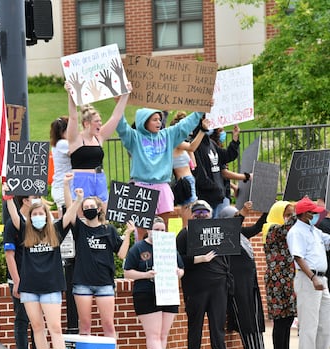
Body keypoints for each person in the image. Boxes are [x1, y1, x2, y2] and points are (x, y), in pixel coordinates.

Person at [3, 182, 82, 349]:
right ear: (30, 216)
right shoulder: (25, 231)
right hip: (29, 287)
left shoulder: (55, 230)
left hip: (51, 286)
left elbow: (69, 216)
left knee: (55, 327)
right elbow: (14, 216)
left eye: (41, 213)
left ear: (47, 215)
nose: (38, 216)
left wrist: (77, 198)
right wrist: (8, 198)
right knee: (37, 327)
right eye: (34, 213)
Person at [63, 172, 134, 349]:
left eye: (91, 207)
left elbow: (121, 253)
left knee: (108, 325)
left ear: (99, 209)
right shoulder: (80, 229)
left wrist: (128, 234)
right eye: (86, 208)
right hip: (83, 283)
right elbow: (70, 210)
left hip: (104, 283)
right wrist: (69, 188)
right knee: (85, 325)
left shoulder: (109, 230)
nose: (89, 210)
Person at [115, 104, 205, 237]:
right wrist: (119, 103)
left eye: (159, 119)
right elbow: (121, 126)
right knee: (142, 231)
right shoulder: (134, 138)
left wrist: (200, 109)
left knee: (163, 228)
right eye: (154, 119)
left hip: (163, 186)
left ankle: (163, 257)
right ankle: (142, 256)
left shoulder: (167, 135)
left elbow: (185, 125)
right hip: (141, 188)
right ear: (144, 121)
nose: (159, 122)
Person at [176, 200, 240, 349]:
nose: (201, 215)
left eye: (205, 212)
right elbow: (178, 259)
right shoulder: (185, 234)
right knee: (194, 326)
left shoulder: (220, 232)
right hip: (195, 288)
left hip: (218, 286)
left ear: (211, 214)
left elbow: (231, 249)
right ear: (192, 215)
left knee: (217, 326)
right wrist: (199, 259)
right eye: (197, 212)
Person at [124, 216, 185, 349]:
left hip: (168, 292)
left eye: (162, 230)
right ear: (148, 231)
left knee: (163, 334)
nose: (159, 233)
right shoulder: (138, 248)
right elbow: (127, 272)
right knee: (153, 334)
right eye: (156, 230)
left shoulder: (169, 247)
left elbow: (181, 268)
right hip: (146, 292)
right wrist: (145, 275)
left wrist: (178, 272)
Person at [219, 202, 271, 349]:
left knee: (255, 317)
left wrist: (267, 210)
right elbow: (232, 226)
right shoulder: (225, 235)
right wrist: (242, 213)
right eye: (233, 217)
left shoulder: (240, 234)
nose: (237, 219)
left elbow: (257, 227)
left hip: (250, 282)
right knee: (245, 319)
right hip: (237, 285)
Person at [65, 81, 132, 202]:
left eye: (100, 121)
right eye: (96, 121)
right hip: (82, 179)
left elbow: (115, 117)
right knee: (83, 213)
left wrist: (125, 94)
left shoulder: (99, 137)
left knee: (103, 213)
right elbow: (73, 117)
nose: (100, 124)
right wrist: (70, 94)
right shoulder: (75, 139)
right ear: (86, 124)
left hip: (99, 178)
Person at [286, 196, 330, 349]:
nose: (316, 215)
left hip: (321, 280)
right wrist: (313, 278)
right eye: (313, 212)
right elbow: (298, 257)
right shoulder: (296, 232)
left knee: (324, 324)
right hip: (308, 279)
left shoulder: (314, 231)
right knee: (309, 325)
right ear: (304, 214)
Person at [48, 116, 78, 334]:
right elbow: (77, 148)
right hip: (62, 190)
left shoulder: (60, 143)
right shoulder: (62, 144)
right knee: (66, 227)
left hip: (66, 188)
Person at [3, 194, 41, 349]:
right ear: (25, 200)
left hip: (37, 279)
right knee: (22, 319)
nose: (39, 198)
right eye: (35, 196)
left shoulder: (38, 222)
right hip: (19, 279)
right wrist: (17, 281)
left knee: (37, 321)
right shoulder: (13, 224)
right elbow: (9, 254)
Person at [262, 200, 298, 349]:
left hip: (289, 278)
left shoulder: (288, 231)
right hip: (277, 280)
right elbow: (285, 229)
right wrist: (301, 212)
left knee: (289, 317)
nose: (290, 218)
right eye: (287, 214)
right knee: (280, 319)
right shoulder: (271, 228)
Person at [192, 125, 240, 218]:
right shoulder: (196, 146)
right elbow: (200, 175)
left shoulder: (211, 143)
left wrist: (235, 139)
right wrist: (215, 188)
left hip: (217, 196)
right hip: (206, 196)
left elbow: (226, 156)